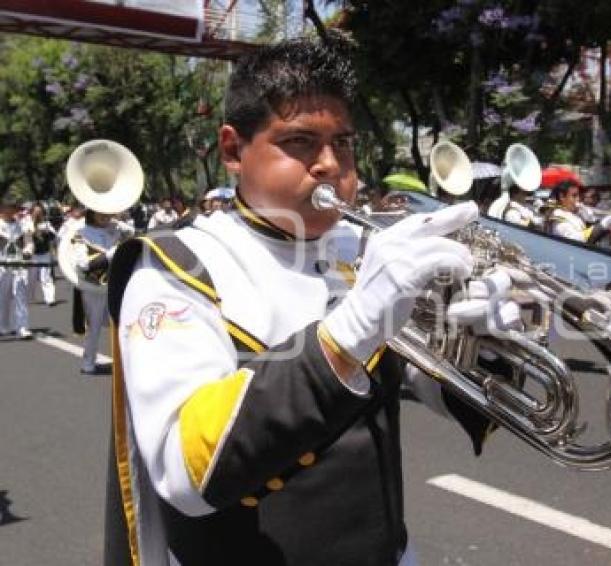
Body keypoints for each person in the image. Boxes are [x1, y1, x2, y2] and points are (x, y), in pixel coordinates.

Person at [104, 36, 508, 565]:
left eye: (342, 143)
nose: (329, 165)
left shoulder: (362, 250)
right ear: (232, 150)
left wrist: (483, 344)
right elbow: (186, 470)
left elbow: (436, 390)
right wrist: (351, 328)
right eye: (298, 143)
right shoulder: (178, 265)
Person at [72, 209, 133, 374]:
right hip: (94, 286)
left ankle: (124, 364)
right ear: (91, 213)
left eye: (108, 212)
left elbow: (132, 233)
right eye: (101, 212)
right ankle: (88, 363)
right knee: (94, 325)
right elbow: (83, 264)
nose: (105, 215)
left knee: (123, 323)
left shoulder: (116, 230)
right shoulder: (82, 233)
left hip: (116, 283)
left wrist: (118, 222)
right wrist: (110, 254)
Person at [0, 202, 33, 338]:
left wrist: (28, 250)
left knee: (21, 296)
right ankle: (3, 325)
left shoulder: (22, 224)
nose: (12, 210)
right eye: (10, 207)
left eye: (14, 207)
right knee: (3, 297)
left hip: (19, 265)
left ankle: (22, 327)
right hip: (2, 265)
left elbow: (29, 241)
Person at [546, 180, 611, 243]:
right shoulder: (558, 218)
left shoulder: (576, 213)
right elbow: (577, 240)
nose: (578, 199)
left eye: (578, 195)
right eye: (574, 196)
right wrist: (602, 226)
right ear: (562, 197)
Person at [27, 203, 57, 306]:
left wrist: (47, 232)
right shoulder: (27, 223)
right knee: (31, 278)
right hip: (32, 256)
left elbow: (54, 237)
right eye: (35, 212)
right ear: (31, 213)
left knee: (46, 277)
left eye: (40, 213)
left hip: (45, 254)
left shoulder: (47, 224)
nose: (37, 215)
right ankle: (29, 298)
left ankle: (50, 299)